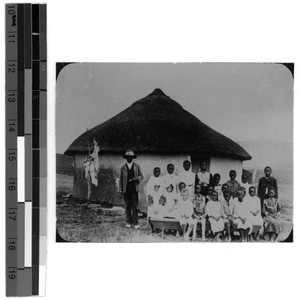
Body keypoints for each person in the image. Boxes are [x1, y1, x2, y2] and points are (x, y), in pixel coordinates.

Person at [119, 150, 143, 229]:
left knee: (135, 206)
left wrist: (137, 179)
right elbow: (121, 179)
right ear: (126, 158)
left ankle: (136, 223)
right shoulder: (123, 167)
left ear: (133, 158)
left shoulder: (137, 166)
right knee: (127, 206)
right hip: (126, 189)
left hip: (134, 189)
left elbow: (141, 176)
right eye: (128, 157)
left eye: (130, 157)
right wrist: (120, 189)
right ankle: (128, 222)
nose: (129, 159)